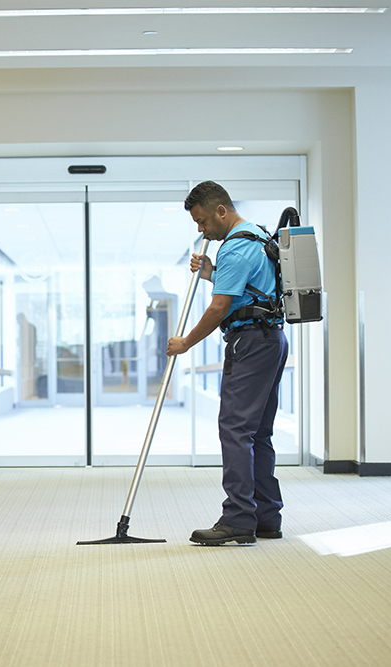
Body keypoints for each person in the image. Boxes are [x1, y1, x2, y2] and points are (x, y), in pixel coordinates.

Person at [167, 181, 289, 546]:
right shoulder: (258, 237)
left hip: (250, 342)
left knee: (235, 428)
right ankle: (266, 516)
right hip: (271, 339)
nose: (201, 229)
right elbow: (248, 288)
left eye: (202, 221)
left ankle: (237, 518)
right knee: (258, 432)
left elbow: (220, 307)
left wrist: (186, 342)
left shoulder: (236, 248)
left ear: (221, 210)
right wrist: (210, 272)